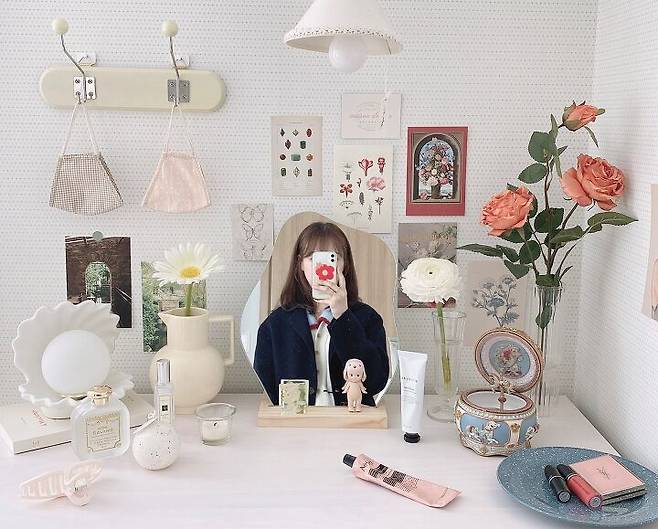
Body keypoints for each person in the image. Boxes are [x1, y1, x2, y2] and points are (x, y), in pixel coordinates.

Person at [254, 222, 389, 407]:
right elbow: (267, 385)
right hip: (297, 420)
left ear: (345, 264)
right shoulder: (276, 324)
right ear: (300, 263)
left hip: (353, 419)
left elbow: (376, 381)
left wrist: (343, 316)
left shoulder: (367, 318)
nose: (323, 267)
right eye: (313, 258)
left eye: (333, 258)